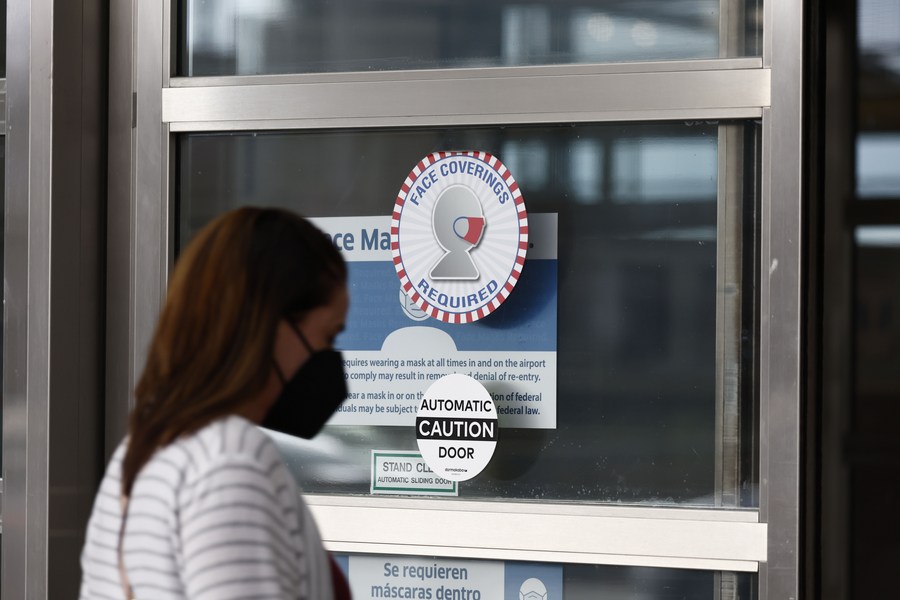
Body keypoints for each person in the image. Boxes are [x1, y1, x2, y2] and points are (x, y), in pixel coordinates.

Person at [79, 207, 353, 599]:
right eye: (328, 335)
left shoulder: (142, 450)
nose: (332, 356)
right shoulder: (229, 459)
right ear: (267, 325)